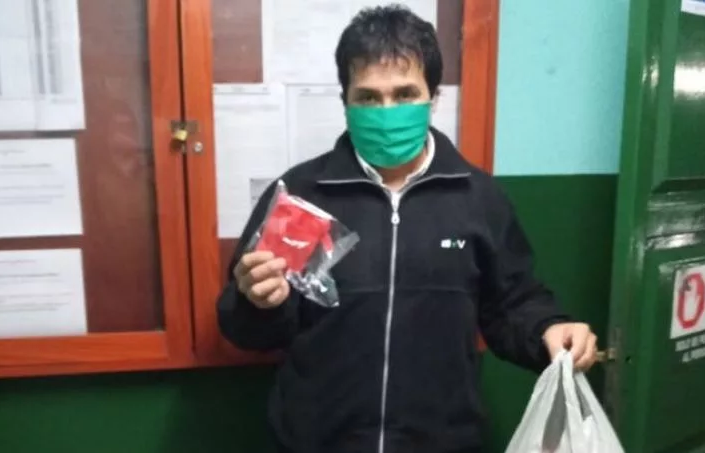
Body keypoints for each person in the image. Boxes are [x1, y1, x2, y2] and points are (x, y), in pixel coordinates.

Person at [217, 5, 597, 453]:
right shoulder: (301, 196)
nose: (387, 110)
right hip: (317, 442)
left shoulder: (478, 197)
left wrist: (547, 331)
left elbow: (512, 303)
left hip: (443, 442)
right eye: (368, 97)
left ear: (433, 97)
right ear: (345, 101)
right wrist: (255, 302)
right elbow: (247, 331)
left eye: (404, 94)